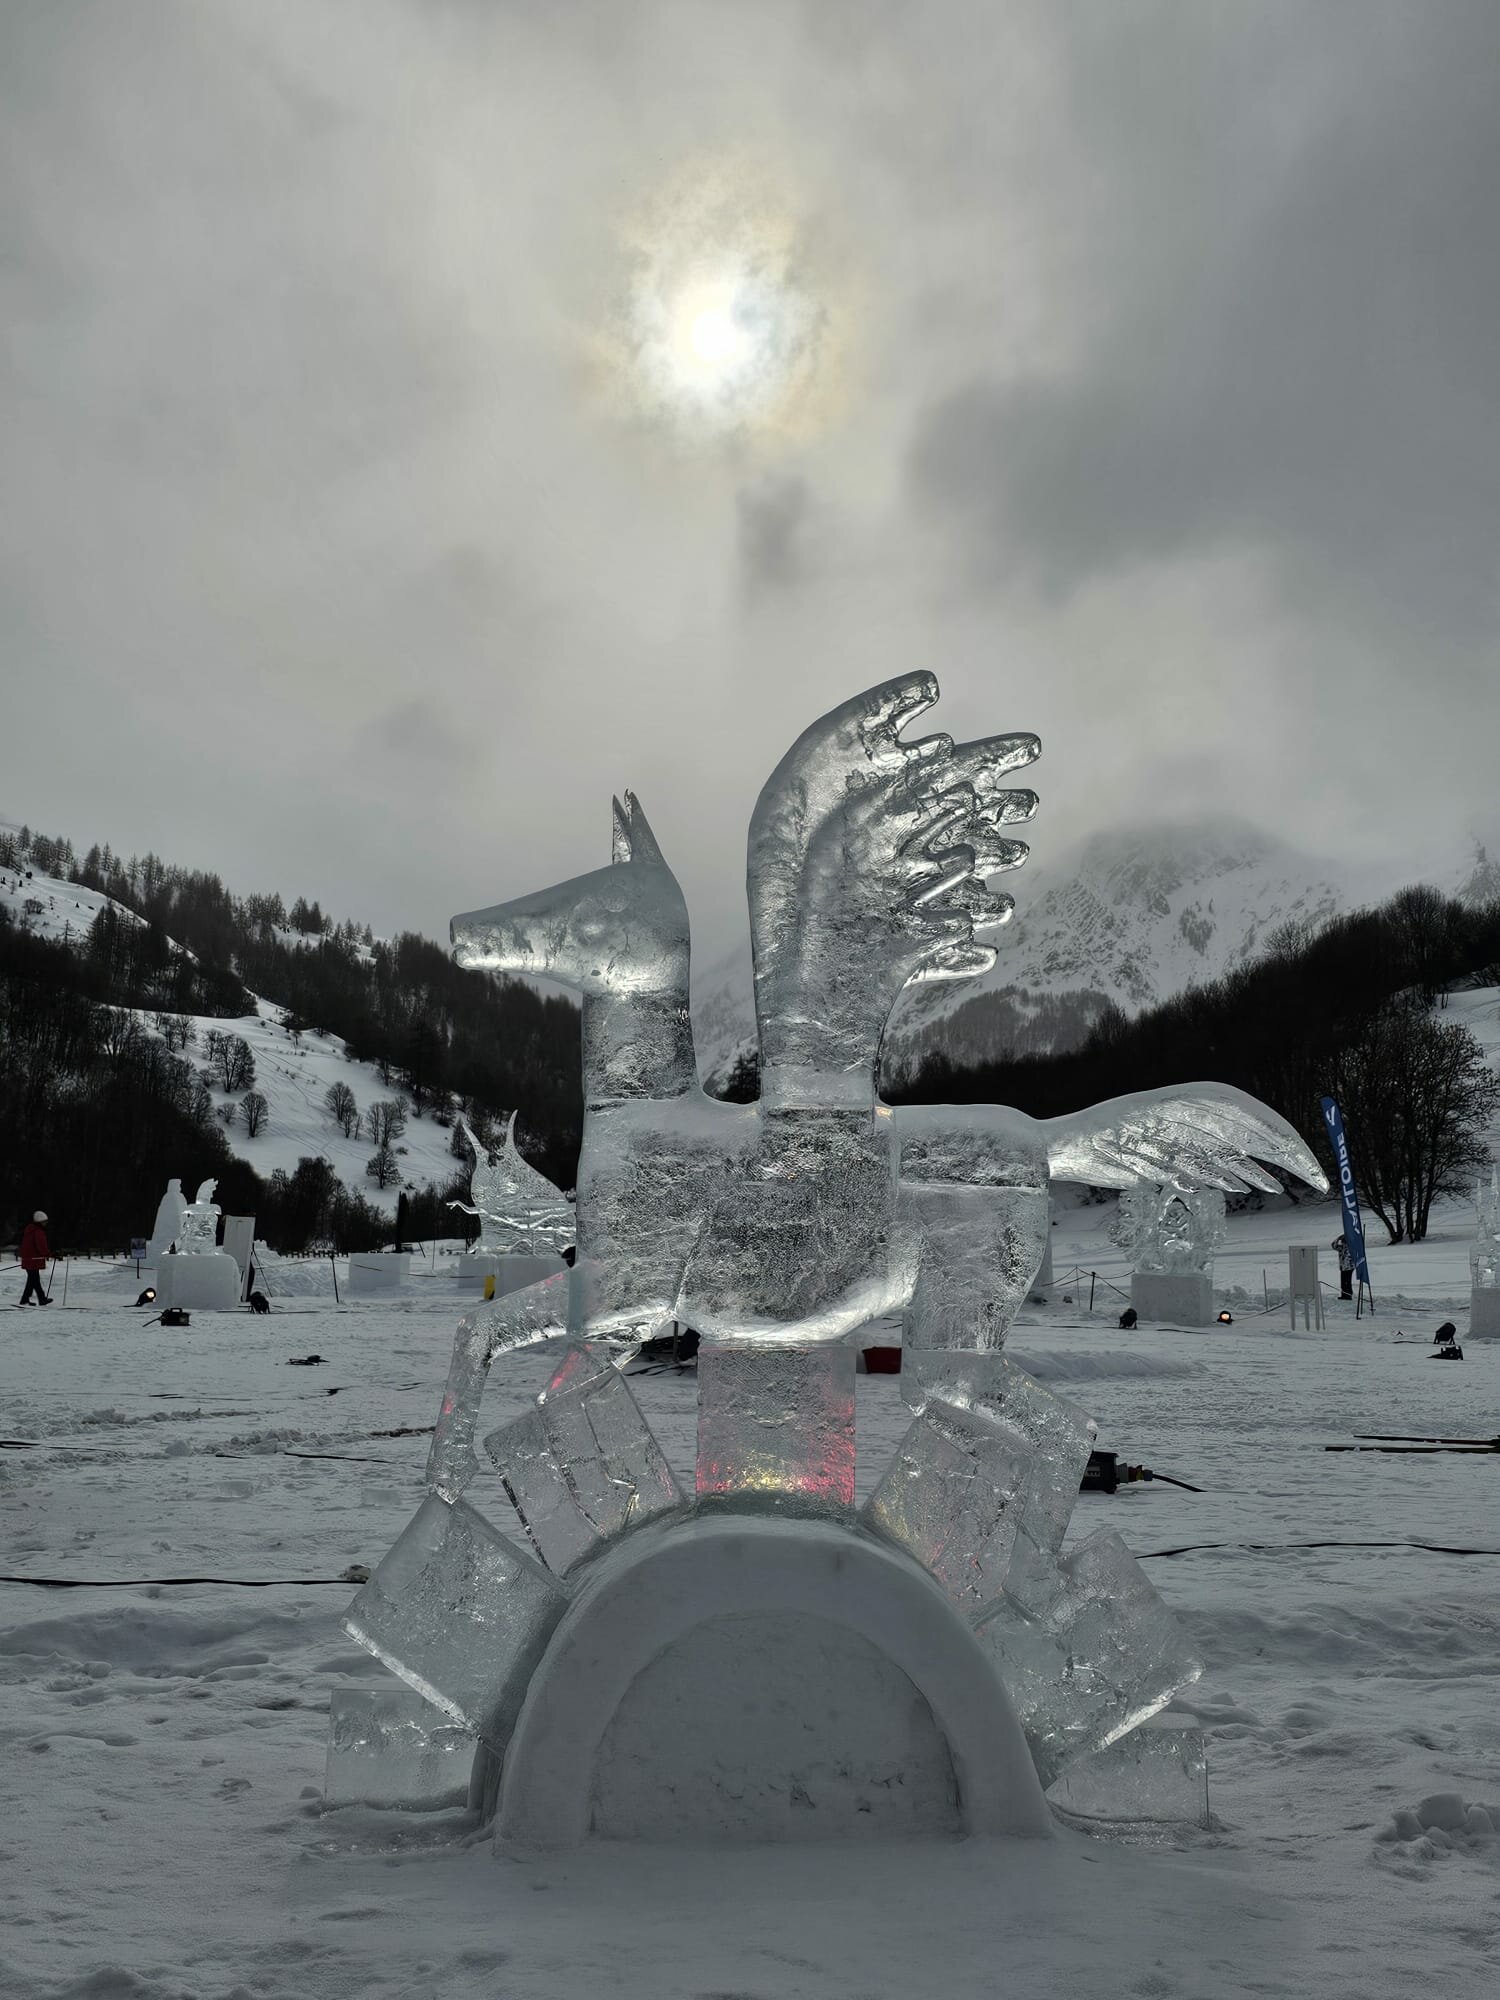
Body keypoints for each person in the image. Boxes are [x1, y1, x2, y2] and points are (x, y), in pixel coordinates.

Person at [18, 1211, 50, 1306]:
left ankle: (28, 1299)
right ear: (40, 1222)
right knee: (34, 1280)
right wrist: (49, 1254)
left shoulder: (30, 1230)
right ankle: (40, 1299)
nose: (46, 1223)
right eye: (44, 1222)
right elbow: (41, 1246)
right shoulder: (38, 1232)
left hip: (29, 1259)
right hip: (33, 1260)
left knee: (33, 1280)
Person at [1331, 1233, 1355, 1300]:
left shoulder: (1351, 1247)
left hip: (1349, 1267)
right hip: (1343, 1267)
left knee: (1347, 1281)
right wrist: (1338, 1238)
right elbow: (1333, 1245)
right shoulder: (1342, 1248)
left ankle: (1348, 1294)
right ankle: (1344, 1294)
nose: (1342, 1242)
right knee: (1343, 1282)